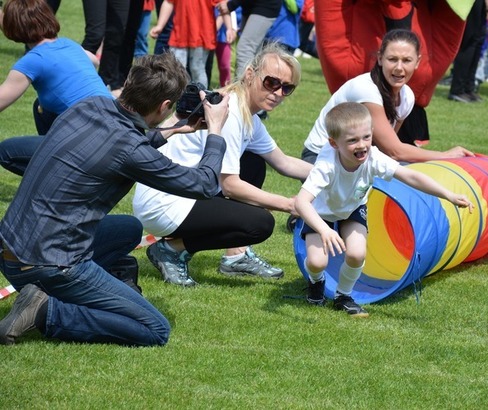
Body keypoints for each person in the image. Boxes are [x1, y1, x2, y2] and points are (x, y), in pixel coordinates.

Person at [0, 52, 231, 346]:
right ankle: (45, 310)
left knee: (129, 229)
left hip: (10, 247)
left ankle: (83, 288)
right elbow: (205, 184)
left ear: (129, 82)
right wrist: (216, 130)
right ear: (163, 105)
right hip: (46, 264)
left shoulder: (89, 105)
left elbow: (118, 140)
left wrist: (173, 128)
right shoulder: (131, 149)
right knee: (154, 329)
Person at [133, 42, 312, 286]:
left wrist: (332, 174)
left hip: (182, 192)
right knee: (260, 223)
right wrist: (290, 204)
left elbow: (284, 163)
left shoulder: (248, 114)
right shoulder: (232, 112)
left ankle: (235, 256)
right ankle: (171, 250)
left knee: (254, 162)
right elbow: (230, 186)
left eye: (287, 88)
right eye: (272, 82)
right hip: (164, 203)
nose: (278, 93)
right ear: (250, 74)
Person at [295, 102, 474, 316]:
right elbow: (301, 202)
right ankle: (317, 281)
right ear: (334, 143)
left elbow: (410, 175)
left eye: (366, 137)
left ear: (372, 133)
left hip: (352, 208)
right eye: (352, 140)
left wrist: (448, 194)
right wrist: (324, 230)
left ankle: (343, 295)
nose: (361, 145)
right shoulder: (326, 165)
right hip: (321, 213)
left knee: (357, 253)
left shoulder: (374, 158)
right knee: (317, 262)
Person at [302, 29, 474, 165]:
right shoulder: (366, 90)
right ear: (380, 59)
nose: (399, 68)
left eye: (406, 60)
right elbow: (395, 150)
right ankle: (301, 208)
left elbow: (386, 151)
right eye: (392, 59)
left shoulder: (407, 97)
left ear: (418, 62)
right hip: (320, 158)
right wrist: (445, 156)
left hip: (356, 159)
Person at [0, 0, 112, 176]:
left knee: (5, 152)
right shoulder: (68, 44)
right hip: (115, 131)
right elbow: (95, 60)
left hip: (91, 140)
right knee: (41, 108)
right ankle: (65, 165)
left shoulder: (33, 60)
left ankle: (64, 178)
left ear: (14, 25)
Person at [150, 0, 233, 89]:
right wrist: (160, 25)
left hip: (202, 35)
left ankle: (201, 98)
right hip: (180, 33)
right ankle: (180, 99)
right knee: (176, 69)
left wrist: (229, 28)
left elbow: (223, 6)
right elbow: (168, 2)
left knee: (197, 69)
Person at [217, 0, 283, 77]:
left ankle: (242, 87)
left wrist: (232, 4)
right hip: (249, 6)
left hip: (264, 5)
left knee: (245, 48)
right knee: (254, 54)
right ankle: (254, 84)